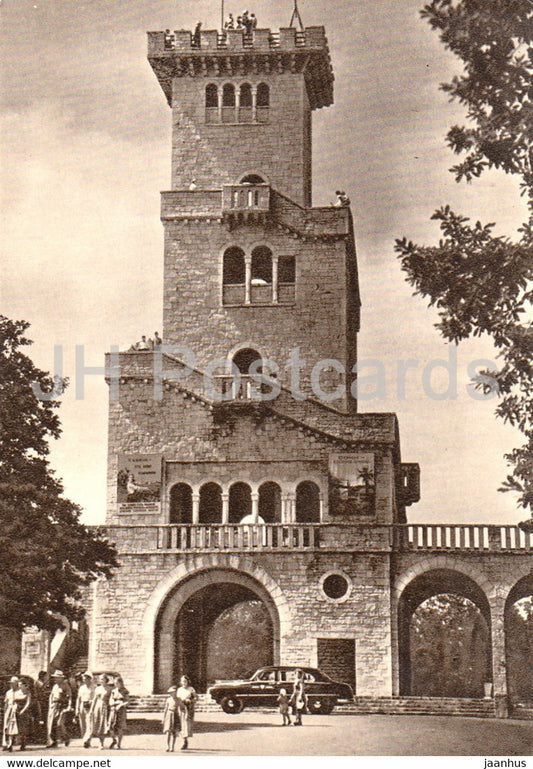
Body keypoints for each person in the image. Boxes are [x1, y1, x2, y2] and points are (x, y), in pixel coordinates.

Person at [46, 671, 72, 748]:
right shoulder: (55, 686)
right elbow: (51, 695)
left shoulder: (65, 686)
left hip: (61, 706)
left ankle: (66, 737)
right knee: (51, 723)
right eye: (55, 677)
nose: (55, 679)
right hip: (54, 705)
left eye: (57, 678)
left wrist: (69, 706)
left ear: (61, 678)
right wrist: (50, 704)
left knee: (59, 723)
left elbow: (69, 697)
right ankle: (53, 741)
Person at [88, 674, 111, 749]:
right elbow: (95, 699)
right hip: (98, 707)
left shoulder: (109, 689)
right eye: (100, 679)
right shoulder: (97, 689)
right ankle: (91, 740)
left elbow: (111, 699)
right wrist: (91, 710)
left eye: (102, 679)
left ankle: (101, 743)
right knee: (96, 724)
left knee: (103, 725)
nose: (101, 680)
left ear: (106, 680)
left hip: (105, 707)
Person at [108, 676, 129, 749]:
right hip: (113, 710)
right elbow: (110, 700)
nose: (116, 684)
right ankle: (114, 740)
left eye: (117, 683)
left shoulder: (125, 691)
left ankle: (119, 744)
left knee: (120, 727)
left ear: (121, 683)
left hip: (121, 711)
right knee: (110, 727)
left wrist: (120, 705)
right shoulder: (113, 691)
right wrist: (113, 704)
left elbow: (127, 702)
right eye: (115, 683)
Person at [177, 676, 197, 750]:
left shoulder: (191, 689)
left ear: (188, 681)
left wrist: (191, 701)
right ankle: (184, 741)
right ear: (180, 682)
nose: (184, 683)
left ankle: (185, 740)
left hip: (189, 708)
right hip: (181, 708)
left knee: (186, 724)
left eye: (185, 681)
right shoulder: (179, 690)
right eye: (182, 681)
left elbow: (196, 697)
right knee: (181, 724)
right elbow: (177, 698)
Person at [162, 686, 184, 752]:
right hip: (169, 714)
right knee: (168, 731)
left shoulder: (178, 699)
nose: (173, 694)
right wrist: (163, 718)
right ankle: (167, 746)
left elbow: (182, 707)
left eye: (174, 692)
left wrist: (182, 713)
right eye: (171, 693)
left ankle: (172, 747)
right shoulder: (168, 700)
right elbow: (165, 709)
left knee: (174, 732)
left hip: (175, 715)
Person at [76, 672, 94, 748]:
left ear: (89, 679)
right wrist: (77, 708)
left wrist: (91, 704)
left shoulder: (93, 687)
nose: (84, 680)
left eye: (86, 678)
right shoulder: (81, 688)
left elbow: (94, 698)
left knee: (89, 724)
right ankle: (85, 740)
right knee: (82, 724)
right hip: (82, 705)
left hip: (90, 706)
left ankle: (87, 739)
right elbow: (78, 698)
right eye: (83, 679)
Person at [3, 677, 20, 751]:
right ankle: (6, 743)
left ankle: (11, 743)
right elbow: (6, 703)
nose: (11, 685)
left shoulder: (19, 692)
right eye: (11, 683)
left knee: (13, 727)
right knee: (6, 727)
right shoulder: (8, 692)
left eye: (13, 683)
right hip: (8, 711)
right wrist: (5, 712)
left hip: (16, 711)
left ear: (16, 683)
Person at [16, 680, 32, 751]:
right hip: (16, 710)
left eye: (20, 684)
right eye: (18, 684)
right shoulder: (16, 692)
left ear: (24, 685)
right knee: (17, 727)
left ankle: (23, 743)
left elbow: (28, 703)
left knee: (24, 728)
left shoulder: (28, 693)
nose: (19, 686)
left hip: (25, 712)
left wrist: (23, 710)